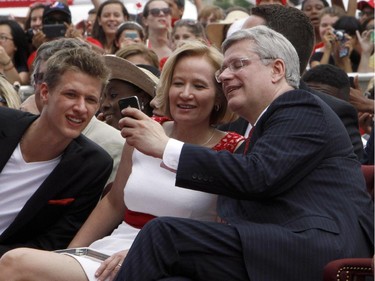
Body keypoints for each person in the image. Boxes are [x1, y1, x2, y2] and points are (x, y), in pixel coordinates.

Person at [113, 25, 373, 281]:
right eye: (224, 69)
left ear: (277, 70)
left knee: (163, 234)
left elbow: (257, 176)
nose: (224, 76)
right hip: (274, 242)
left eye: (237, 65)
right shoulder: (261, 122)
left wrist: (166, 147)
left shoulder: (300, 106)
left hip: (314, 247)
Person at [0, 41, 245, 281]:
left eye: (199, 86)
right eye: (178, 83)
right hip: (106, 254)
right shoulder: (143, 130)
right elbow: (114, 203)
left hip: (174, 262)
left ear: (219, 96)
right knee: (17, 263)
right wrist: (68, 254)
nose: (185, 93)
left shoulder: (235, 149)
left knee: (16, 262)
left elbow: (226, 230)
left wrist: (150, 253)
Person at [0, 47, 113, 257]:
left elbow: (53, 241)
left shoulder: (92, 165)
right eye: (71, 94)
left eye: (90, 100)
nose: (81, 108)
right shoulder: (3, 123)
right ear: (45, 93)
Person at [222, 4, 365, 162]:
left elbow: (257, 176)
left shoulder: (326, 113)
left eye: (249, 38)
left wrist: (189, 154)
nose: (223, 76)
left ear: (278, 63)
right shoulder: (234, 112)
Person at [21, 38, 124, 186]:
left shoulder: (112, 146)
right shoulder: (13, 129)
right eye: (42, 78)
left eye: (89, 98)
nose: (80, 107)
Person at [100, 55, 158, 129]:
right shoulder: (97, 136)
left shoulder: (163, 137)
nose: (104, 105)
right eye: (103, 97)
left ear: (143, 98)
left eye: (113, 95)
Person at [0, 18, 30, 85]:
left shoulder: (22, 71)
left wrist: (6, 62)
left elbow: (17, 87)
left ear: (16, 44)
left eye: (3, 37)